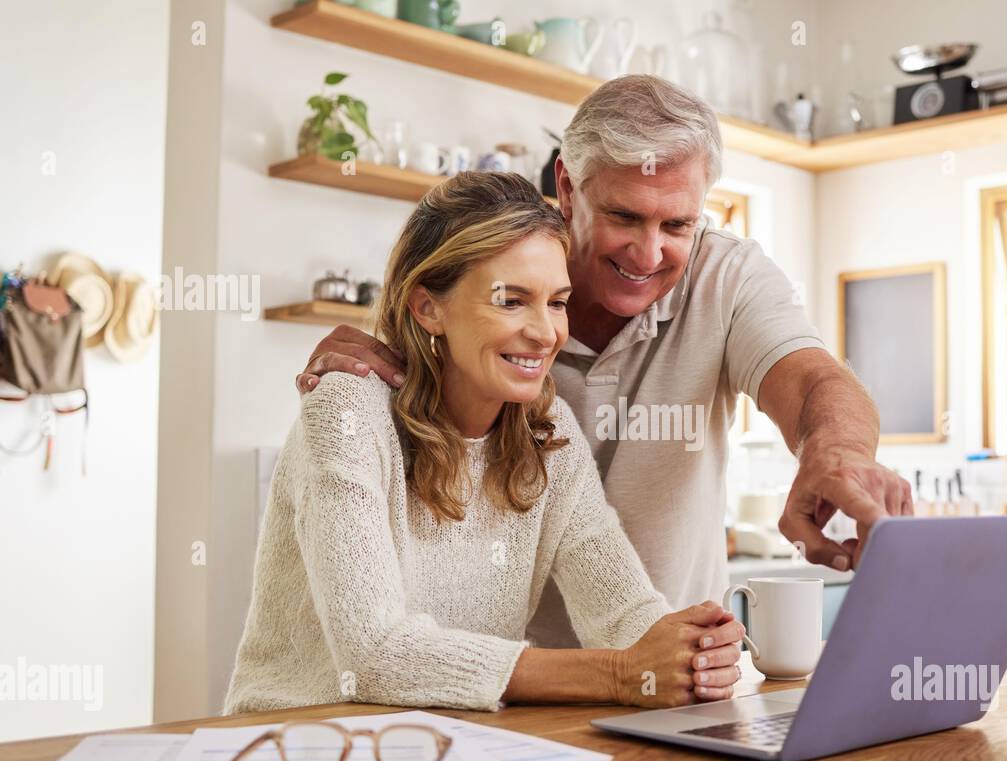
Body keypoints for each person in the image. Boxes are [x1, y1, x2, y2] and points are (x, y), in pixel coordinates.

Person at [296, 75, 913, 651]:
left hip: (654, 668)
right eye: (624, 216)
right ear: (567, 187)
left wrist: (836, 453)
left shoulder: (727, 278)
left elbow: (812, 383)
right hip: (492, 682)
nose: (649, 253)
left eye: (678, 223)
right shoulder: (491, 285)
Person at [224, 171, 744, 715]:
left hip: (454, 750)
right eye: (512, 301)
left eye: (557, 302)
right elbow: (375, 655)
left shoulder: (549, 434)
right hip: (297, 753)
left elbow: (623, 616)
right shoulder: (348, 411)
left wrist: (691, 649)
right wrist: (619, 673)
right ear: (428, 308)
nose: (545, 333)